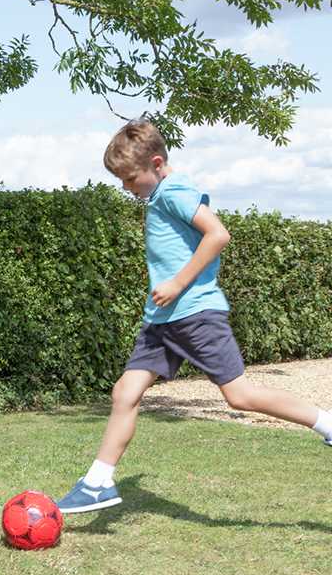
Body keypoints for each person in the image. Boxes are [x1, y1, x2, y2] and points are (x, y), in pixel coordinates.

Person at [58, 119, 332, 514]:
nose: (126, 188)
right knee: (125, 393)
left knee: (239, 396)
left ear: (156, 163)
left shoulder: (174, 191)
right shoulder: (158, 196)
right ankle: (98, 483)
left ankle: (325, 423)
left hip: (194, 313)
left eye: (130, 178)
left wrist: (177, 284)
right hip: (162, 320)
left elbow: (217, 234)